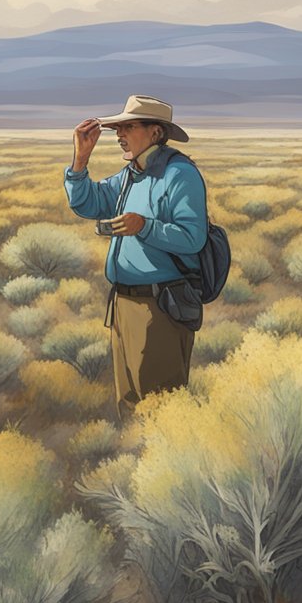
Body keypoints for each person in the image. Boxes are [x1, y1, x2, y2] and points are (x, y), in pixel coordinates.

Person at [64, 94, 207, 419]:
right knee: (129, 402)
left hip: (160, 308)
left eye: (128, 127)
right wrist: (80, 161)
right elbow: (88, 204)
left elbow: (192, 237)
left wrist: (143, 226)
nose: (119, 135)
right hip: (125, 305)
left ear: (155, 133)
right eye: (118, 128)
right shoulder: (132, 175)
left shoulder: (179, 175)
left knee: (160, 407)